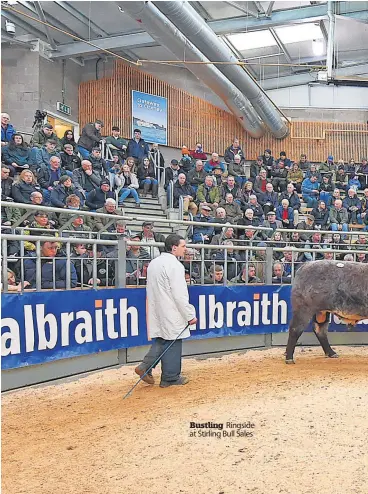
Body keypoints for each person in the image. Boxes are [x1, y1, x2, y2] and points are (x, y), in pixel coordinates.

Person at [134, 234, 197, 387]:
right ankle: (170, 377)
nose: (185, 249)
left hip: (157, 307)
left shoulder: (154, 263)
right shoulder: (175, 266)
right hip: (171, 308)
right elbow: (179, 294)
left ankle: (146, 366)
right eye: (183, 246)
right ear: (174, 247)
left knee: (163, 338)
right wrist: (189, 314)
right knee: (173, 340)